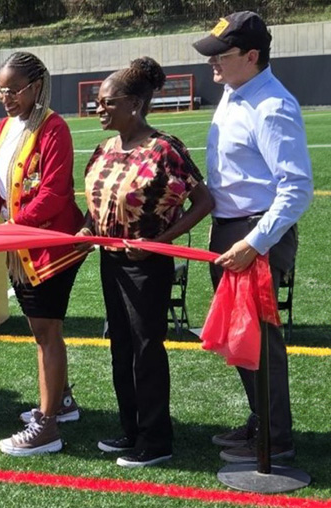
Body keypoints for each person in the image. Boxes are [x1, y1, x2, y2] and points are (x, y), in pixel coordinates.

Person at [193, 11, 313, 463]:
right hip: (232, 230)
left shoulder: (272, 106)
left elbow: (297, 188)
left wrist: (254, 243)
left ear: (252, 56)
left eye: (220, 56)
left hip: (253, 235)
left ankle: (275, 439)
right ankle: (262, 421)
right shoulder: (234, 91)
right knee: (241, 339)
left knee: (259, 342)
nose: (212, 64)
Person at [83, 57, 213, 467]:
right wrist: (89, 229)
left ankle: (157, 441)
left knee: (146, 350)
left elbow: (204, 201)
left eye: (107, 102)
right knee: (120, 346)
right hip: (110, 261)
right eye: (96, 102)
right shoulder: (105, 148)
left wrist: (158, 240)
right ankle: (131, 428)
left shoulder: (164, 149)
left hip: (146, 265)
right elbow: (98, 202)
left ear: (135, 104)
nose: (98, 109)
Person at [0, 52, 86, 456]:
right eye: (0, 90)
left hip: (49, 248)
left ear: (36, 86)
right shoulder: (5, 127)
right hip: (19, 245)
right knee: (43, 331)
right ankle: (62, 401)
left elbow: (56, 194)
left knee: (45, 333)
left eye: (13, 90)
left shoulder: (55, 128)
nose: (5, 97)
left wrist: (12, 226)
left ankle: (48, 424)